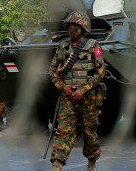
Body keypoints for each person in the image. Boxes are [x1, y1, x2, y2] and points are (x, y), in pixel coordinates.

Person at [48, 11, 105, 171]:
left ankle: (92, 161)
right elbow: (52, 71)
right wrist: (63, 86)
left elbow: (101, 72)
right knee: (63, 132)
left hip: (88, 98)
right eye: (70, 26)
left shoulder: (94, 45)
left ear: (83, 27)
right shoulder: (62, 46)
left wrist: (84, 89)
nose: (71, 28)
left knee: (89, 134)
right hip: (68, 98)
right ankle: (57, 165)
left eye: (75, 26)